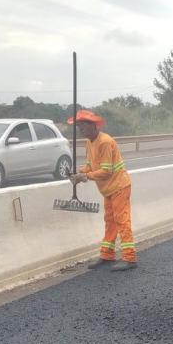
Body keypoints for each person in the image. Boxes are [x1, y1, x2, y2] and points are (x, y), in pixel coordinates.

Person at [68, 110, 137, 271]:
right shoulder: (89, 142)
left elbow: (106, 171)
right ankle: (107, 255)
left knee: (122, 221)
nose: (80, 130)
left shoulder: (105, 142)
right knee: (110, 222)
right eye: (78, 127)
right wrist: (79, 173)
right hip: (108, 190)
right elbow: (91, 165)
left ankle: (130, 258)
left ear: (93, 126)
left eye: (83, 126)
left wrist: (85, 177)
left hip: (119, 186)